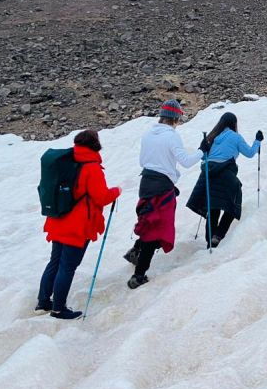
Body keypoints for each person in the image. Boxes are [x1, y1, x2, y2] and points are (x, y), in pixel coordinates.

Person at [37, 130, 121, 319]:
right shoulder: (91, 168)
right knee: (67, 267)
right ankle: (58, 309)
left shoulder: (66, 161)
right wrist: (116, 191)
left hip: (57, 219)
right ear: (95, 145)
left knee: (55, 262)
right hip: (77, 226)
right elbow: (101, 197)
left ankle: (43, 301)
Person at [123, 99, 202, 290]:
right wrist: (202, 151)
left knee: (148, 221)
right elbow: (185, 161)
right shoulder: (172, 136)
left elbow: (143, 159)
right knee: (157, 229)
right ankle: (139, 275)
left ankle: (136, 250)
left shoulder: (148, 133)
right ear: (175, 118)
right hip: (162, 189)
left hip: (146, 183)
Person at [186, 112, 262, 248]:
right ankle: (218, 234)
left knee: (213, 206)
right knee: (233, 203)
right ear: (234, 124)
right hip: (226, 173)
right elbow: (250, 153)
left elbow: (203, 157)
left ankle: (210, 241)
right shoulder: (236, 137)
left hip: (208, 174)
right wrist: (258, 141)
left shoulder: (211, 137)